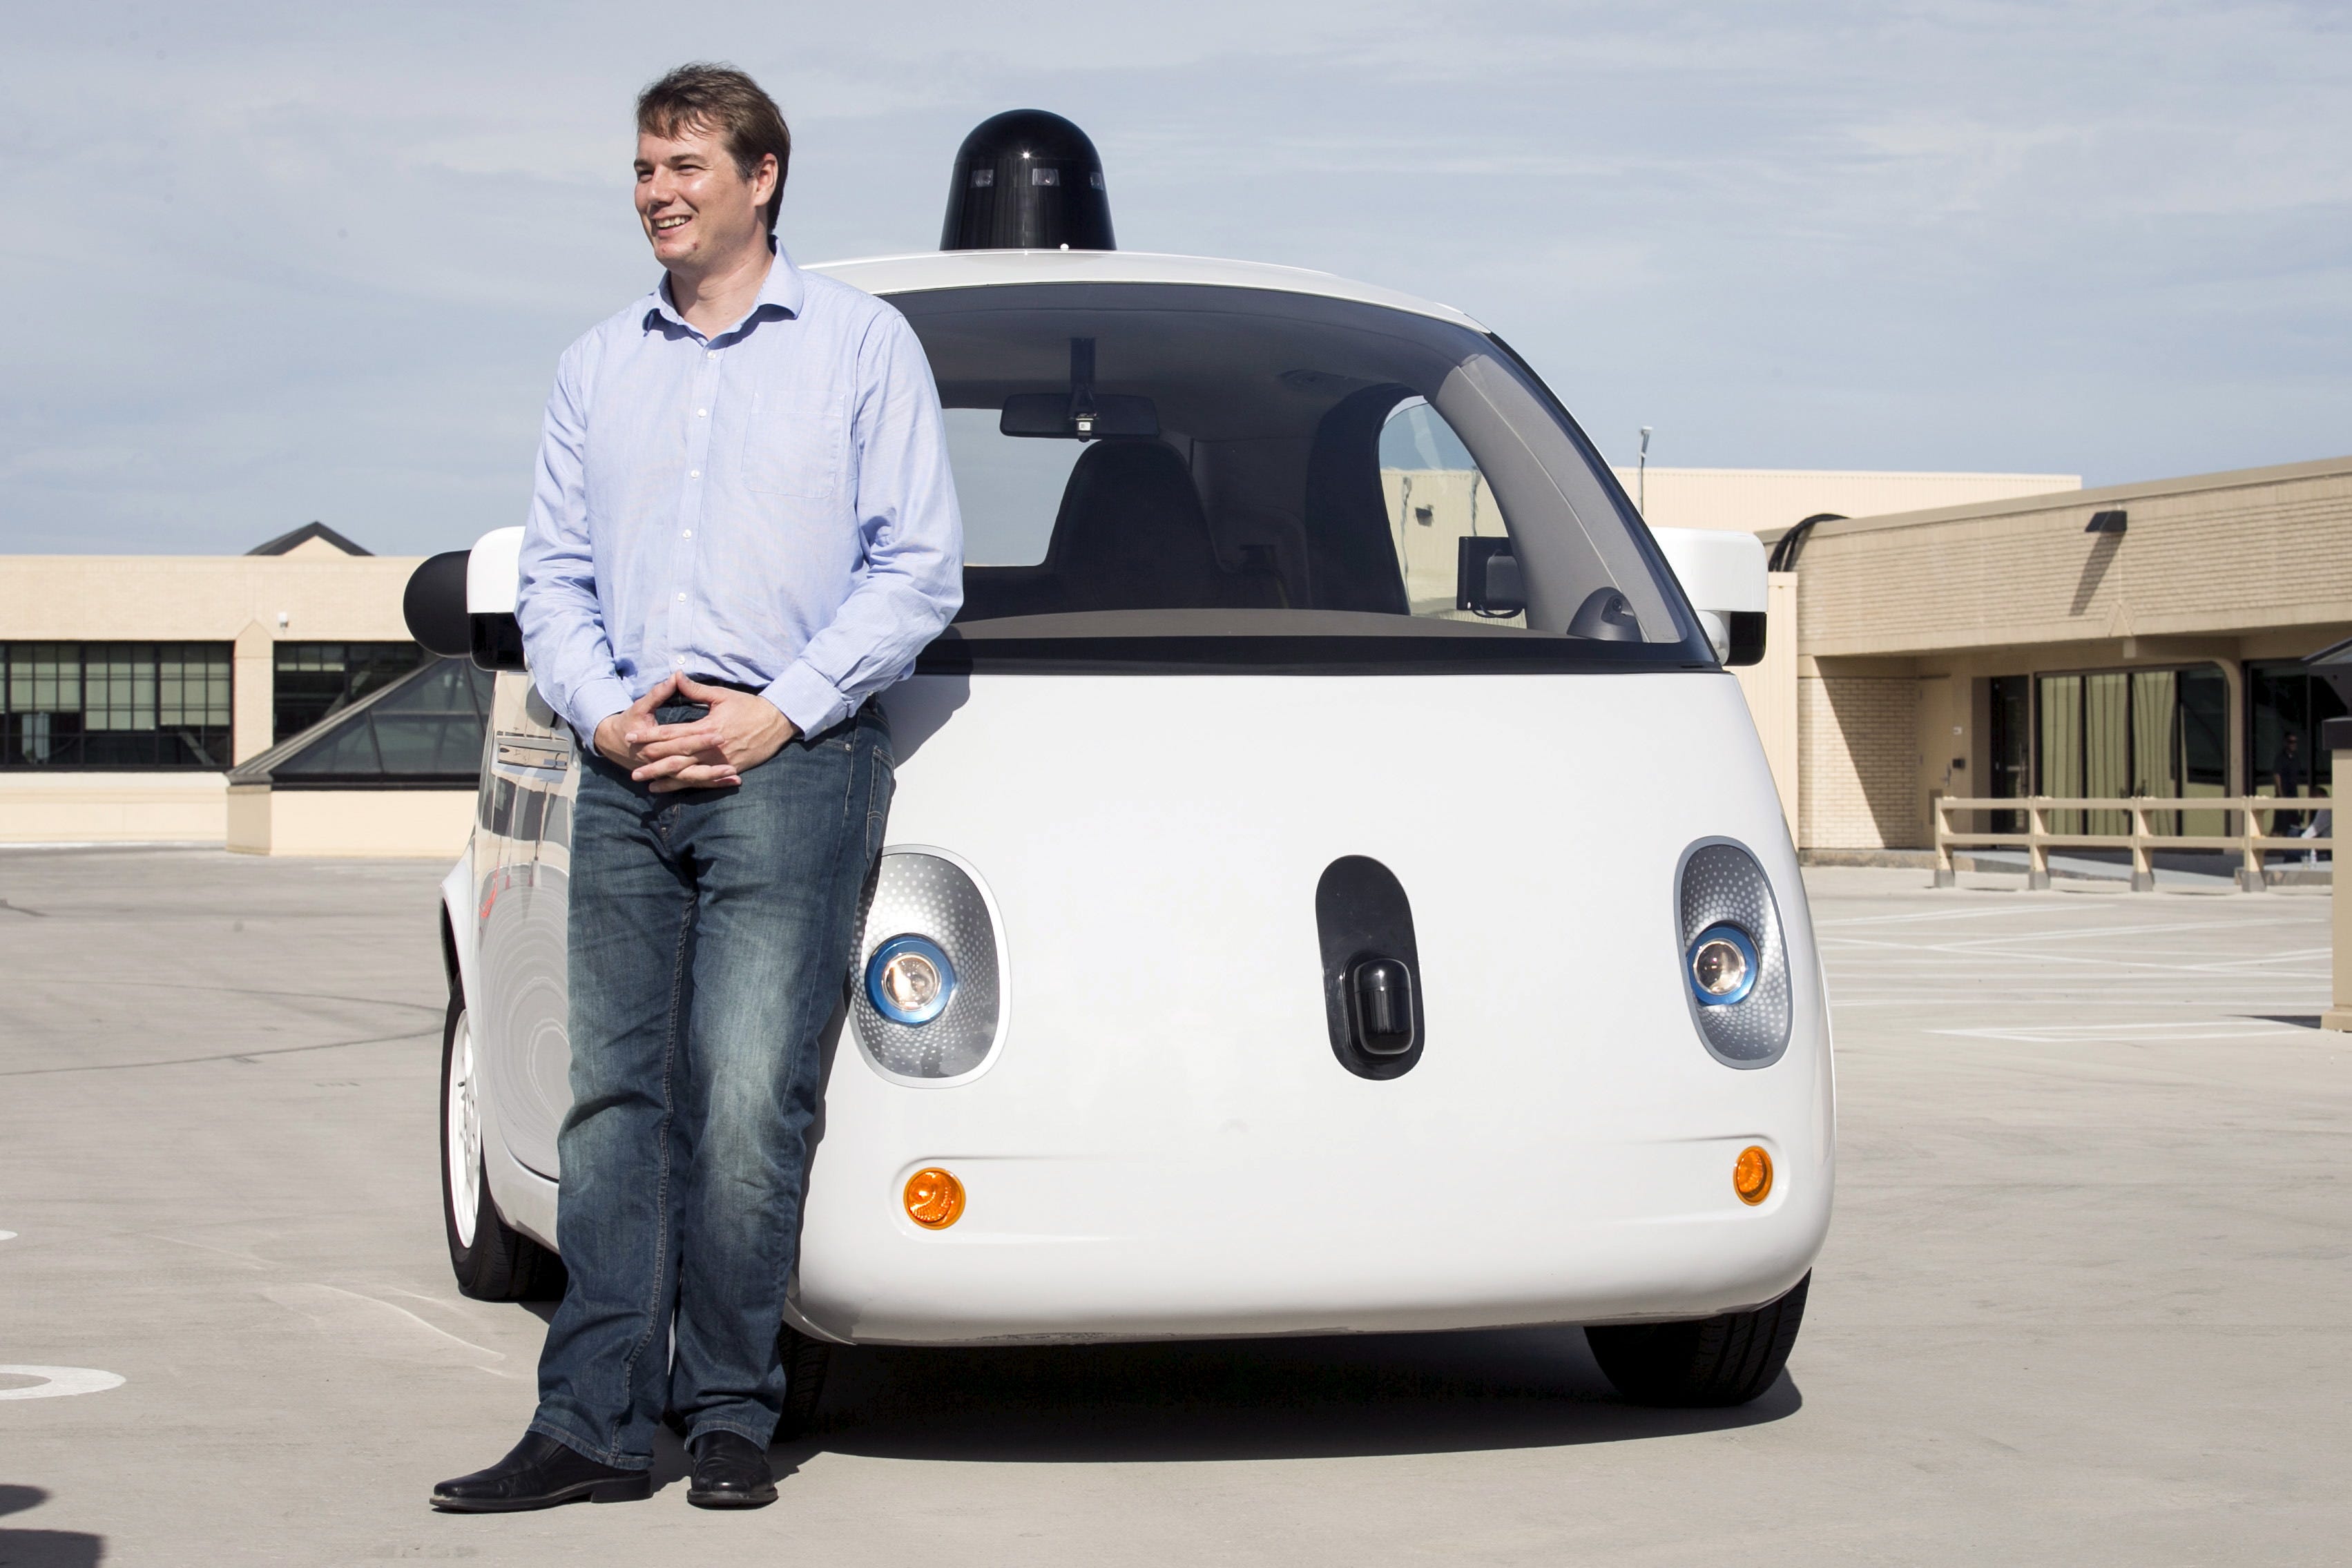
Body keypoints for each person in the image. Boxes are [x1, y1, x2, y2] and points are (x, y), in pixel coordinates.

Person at [432, 63, 961, 1513]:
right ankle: (593, 1422)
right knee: (614, 1102)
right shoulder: (599, 364)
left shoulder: (858, 348)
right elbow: (552, 574)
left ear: (760, 176)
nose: (657, 191)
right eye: (644, 169)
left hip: (790, 763)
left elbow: (915, 563)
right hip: (628, 763)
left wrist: (771, 715)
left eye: (684, 166)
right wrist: (607, 717)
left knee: (743, 1098)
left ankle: (727, 1407)